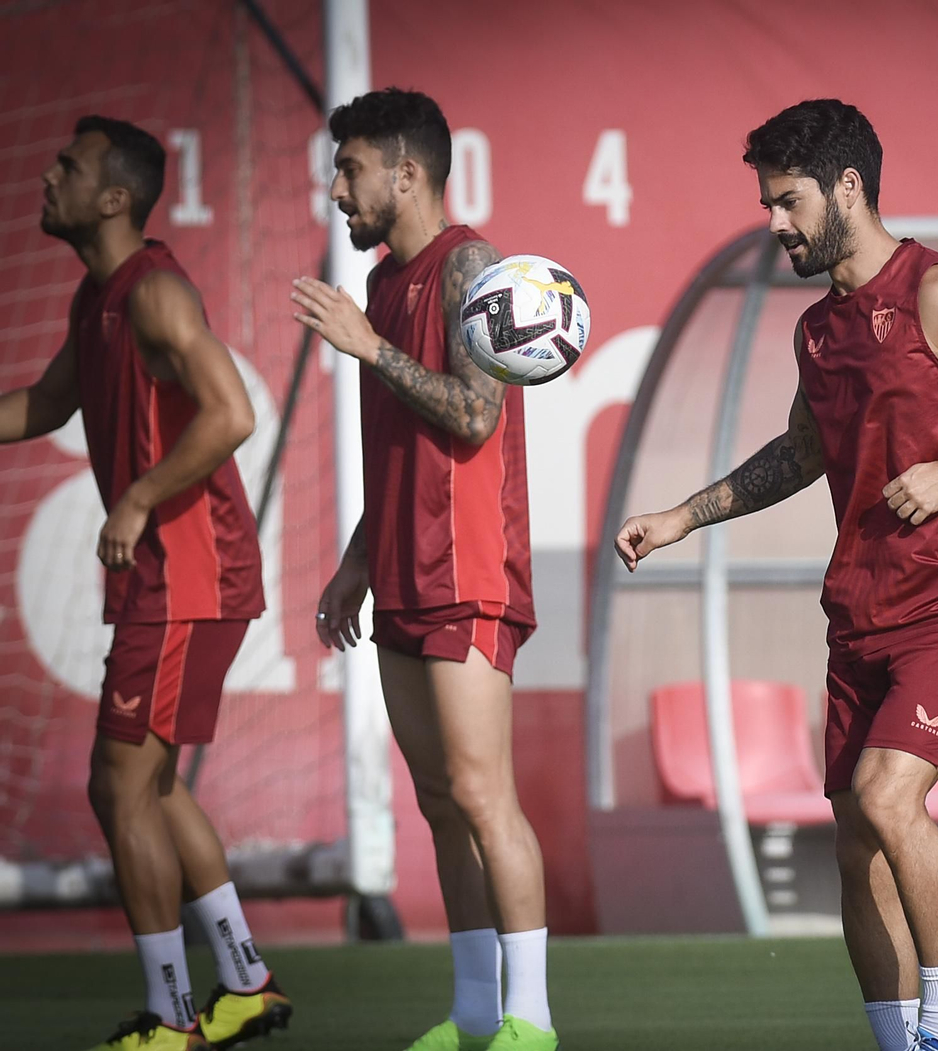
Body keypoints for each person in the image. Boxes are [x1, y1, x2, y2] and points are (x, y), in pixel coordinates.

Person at [614, 98, 938, 1051]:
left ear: (847, 186)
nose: (774, 223)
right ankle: (900, 1041)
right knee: (855, 843)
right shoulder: (819, 330)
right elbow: (800, 453)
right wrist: (681, 517)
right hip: (862, 614)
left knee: (887, 796)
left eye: (787, 201)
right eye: (766, 203)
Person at [3, 115, 289, 1051]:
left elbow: (233, 412)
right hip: (176, 582)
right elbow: (45, 406)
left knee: (115, 787)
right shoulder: (100, 298)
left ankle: (174, 1021)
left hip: (187, 578)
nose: (49, 177)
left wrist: (135, 501)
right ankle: (244, 983)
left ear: (115, 197)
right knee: (153, 787)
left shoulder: (155, 290)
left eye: (70, 167)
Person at [292, 88, 554, 1051]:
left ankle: (533, 1018)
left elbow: (475, 414)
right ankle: (476, 1012)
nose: (336, 189)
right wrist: (357, 562)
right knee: (441, 802)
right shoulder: (382, 285)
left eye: (350, 168)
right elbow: (402, 444)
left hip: (470, 569)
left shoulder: (472, 265)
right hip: (401, 572)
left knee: (486, 795)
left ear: (405, 172)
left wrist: (371, 348)